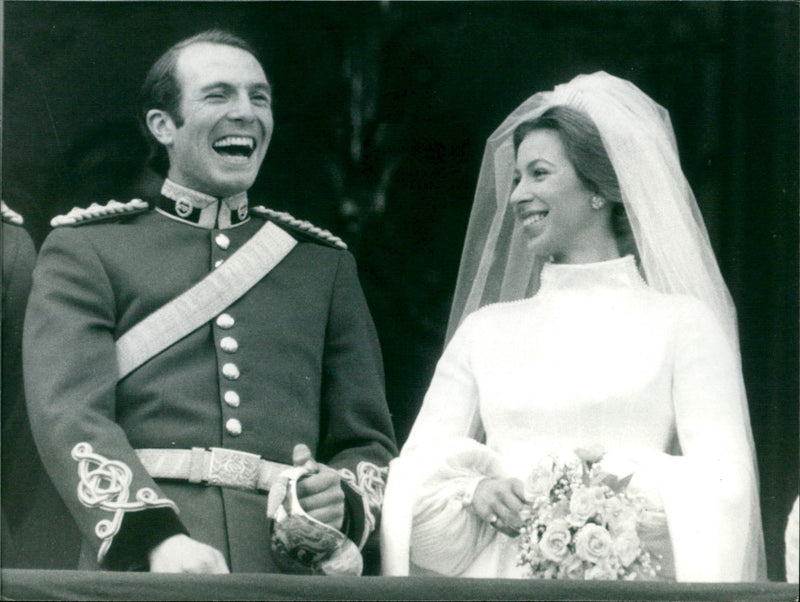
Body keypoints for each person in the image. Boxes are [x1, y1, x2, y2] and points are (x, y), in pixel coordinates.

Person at [23, 30, 397, 574]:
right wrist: (155, 539)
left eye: (259, 97)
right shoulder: (86, 250)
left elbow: (368, 443)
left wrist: (341, 499)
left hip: (287, 574)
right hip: (146, 567)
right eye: (218, 95)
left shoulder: (322, 266)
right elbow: (70, 417)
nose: (245, 112)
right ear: (163, 126)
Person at [381, 72, 765, 582]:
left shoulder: (684, 324)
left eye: (539, 174)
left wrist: (599, 497)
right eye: (517, 178)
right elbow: (412, 474)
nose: (517, 195)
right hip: (498, 586)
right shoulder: (484, 331)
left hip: (630, 585)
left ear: (599, 190)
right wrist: (474, 492)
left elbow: (726, 483)